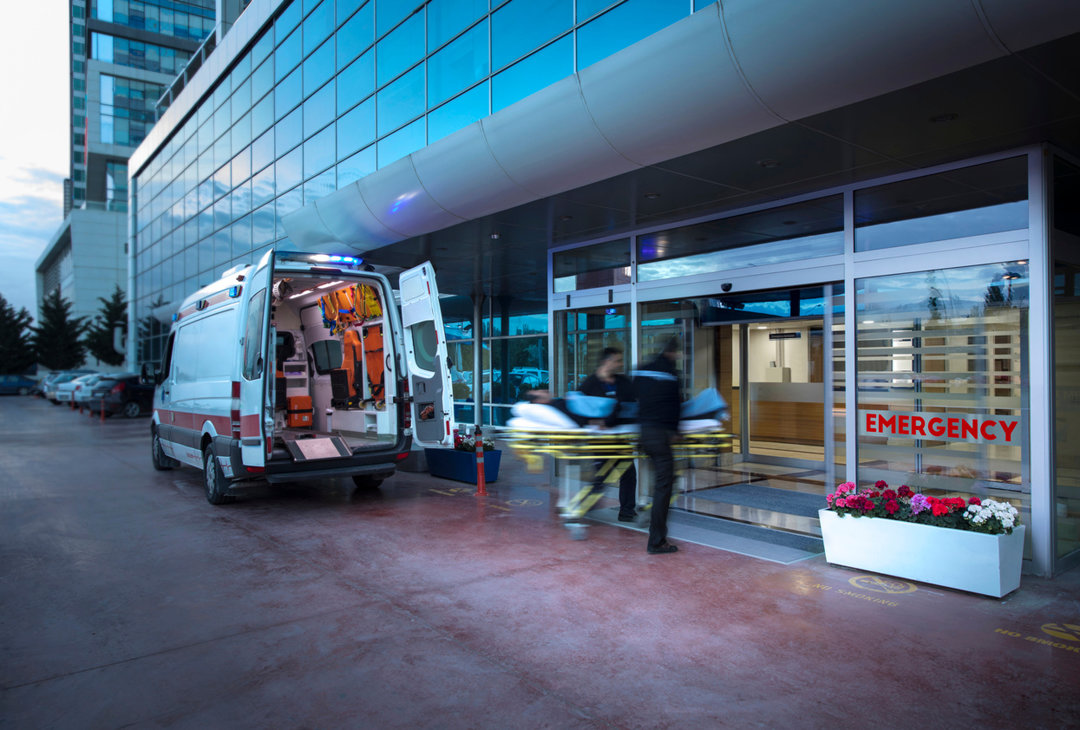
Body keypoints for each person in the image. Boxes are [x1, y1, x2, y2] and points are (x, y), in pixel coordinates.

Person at [633, 337, 683, 554]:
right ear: (673, 353)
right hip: (661, 435)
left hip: (644, 434)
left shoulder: (642, 370)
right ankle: (657, 541)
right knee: (664, 485)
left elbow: (634, 398)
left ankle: (647, 512)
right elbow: (676, 406)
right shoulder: (671, 374)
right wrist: (674, 431)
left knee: (659, 482)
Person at [578, 347, 637, 522]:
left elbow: (630, 405)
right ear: (607, 361)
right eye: (617, 360)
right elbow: (579, 408)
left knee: (627, 472)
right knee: (602, 475)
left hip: (620, 437)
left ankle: (627, 511)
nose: (620, 364)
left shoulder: (623, 382)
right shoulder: (590, 384)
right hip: (600, 440)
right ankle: (584, 506)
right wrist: (593, 422)